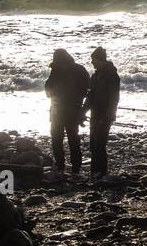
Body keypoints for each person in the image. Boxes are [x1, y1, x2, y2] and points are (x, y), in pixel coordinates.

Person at [45, 48, 91, 178]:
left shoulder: (69, 70)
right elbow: (88, 88)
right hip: (64, 109)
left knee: (62, 138)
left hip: (64, 109)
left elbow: (48, 89)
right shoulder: (77, 69)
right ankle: (71, 166)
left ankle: (65, 165)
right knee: (68, 138)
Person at [84, 45, 121, 175]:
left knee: (99, 144)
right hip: (95, 113)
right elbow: (90, 96)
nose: (92, 63)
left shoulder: (111, 76)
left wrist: (110, 115)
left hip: (105, 114)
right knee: (93, 144)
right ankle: (95, 171)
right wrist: (83, 111)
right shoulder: (95, 76)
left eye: (94, 60)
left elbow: (114, 98)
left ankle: (102, 171)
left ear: (101, 60)